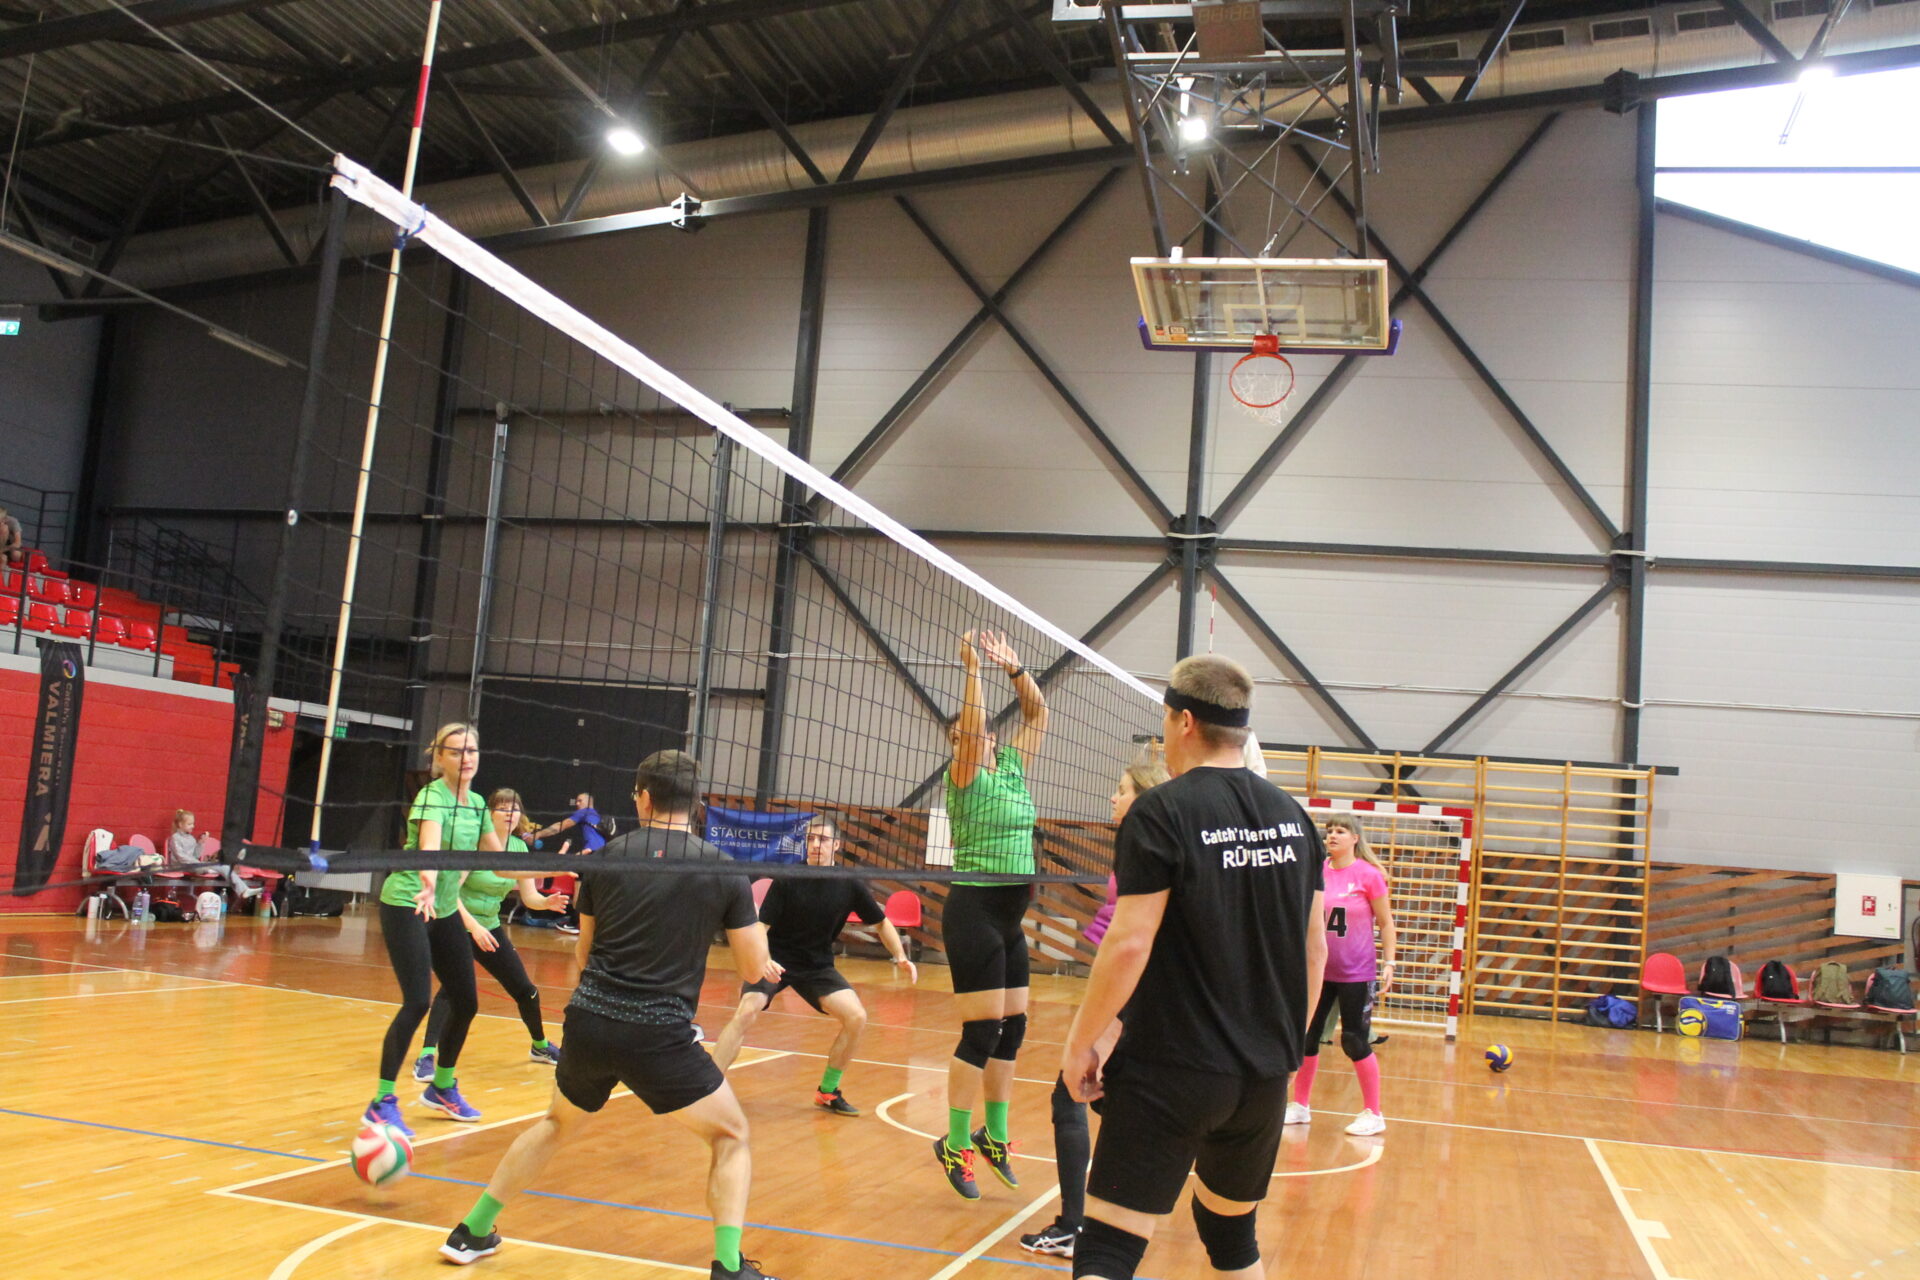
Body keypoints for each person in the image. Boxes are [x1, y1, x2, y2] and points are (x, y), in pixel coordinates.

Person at [439, 750, 784, 1280]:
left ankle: (472, 1231)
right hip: (658, 1034)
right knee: (731, 1136)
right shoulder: (722, 869)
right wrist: (752, 930)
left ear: (643, 798)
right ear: (696, 804)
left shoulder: (606, 858)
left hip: (590, 1021)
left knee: (555, 1124)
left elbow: (584, 953)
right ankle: (730, 1267)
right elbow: (752, 967)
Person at [1061, 655, 1327, 1280]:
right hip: (1264, 1075)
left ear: (1183, 721)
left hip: (1173, 1067)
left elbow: (1129, 942)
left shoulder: (1162, 810)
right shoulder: (1295, 817)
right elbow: (1314, 948)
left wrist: (1081, 1042)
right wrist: (1285, 1048)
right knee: (1232, 1237)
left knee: (1108, 1248)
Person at [1020, 746, 1168, 1258]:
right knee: (1109, 1096)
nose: (1112, 797)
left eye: (1122, 790)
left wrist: (1103, 1017)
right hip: (1141, 993)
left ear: (1144, 797)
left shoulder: (1146, 852)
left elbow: (1138, 938)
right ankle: (1110, 1213)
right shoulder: (1145, 846)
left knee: (1073, 1093)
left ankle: (1074, 1225)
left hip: (1134, 993)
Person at [932, 628, 1047, 1201]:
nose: (971, 740)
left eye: (974, 734)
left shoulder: (1013, 769)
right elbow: (973, 730)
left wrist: (1014, 669)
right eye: (960, 737)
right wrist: (974, 671)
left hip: (1009, 918)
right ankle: (954, 1143)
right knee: (980, 1032)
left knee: (1013, 1028)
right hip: (974, 911)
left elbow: (1039, 712)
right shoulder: (965, 777)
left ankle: (993, 1135)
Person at [711, 813, 918, 1115]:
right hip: (776, 959)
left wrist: (900, 956)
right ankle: (709, 1088)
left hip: (817, 966)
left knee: (856, 1017)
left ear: (836, 845)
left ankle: (828, 1092)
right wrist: (763, 959)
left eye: (822, 839)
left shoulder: (849, 884)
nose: (815, 845)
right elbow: (760, 928)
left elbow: (881, 922)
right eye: (810, 839)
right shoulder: (788, 879)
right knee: (747, 1010)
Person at [364, 723, 505, 1136]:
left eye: (471, 750)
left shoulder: (477, 804)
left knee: (466, 1001)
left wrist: (564, 866)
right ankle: (381, 1102)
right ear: (439, 757)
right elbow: (429, 845)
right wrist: (427, 880)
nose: (466, 758)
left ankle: (442, 1087)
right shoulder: (432, 797)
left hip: (442, 909)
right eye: (456, 751)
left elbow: (499, 860)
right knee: (417, 1002)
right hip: (409, 901)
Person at [414, 789, 570, 1083]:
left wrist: (545, 903)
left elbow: (530, 897)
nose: (510, 814)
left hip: (489, 926)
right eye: (503, 808)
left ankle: (539, 1045)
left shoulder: (518, 848)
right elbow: (448, 894)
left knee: (526, 990)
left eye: (515, 808)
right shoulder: (475, 844)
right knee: (452, 989)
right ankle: (426, 1055)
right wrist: (473, 927)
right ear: (489, 814)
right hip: (456, 923)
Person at [1285, 811, 1396, 1135]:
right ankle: (1300, 1105)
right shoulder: (1317, 871)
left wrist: (1390, 963)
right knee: (1307, 1037)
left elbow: (1386, 923)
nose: (1332, 835)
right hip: (1320, 970)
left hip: (1356, 973)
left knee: (1353, 1040)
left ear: (1355, 839)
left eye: (1341, 831)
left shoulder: (1368, 875)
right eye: (1329, 830)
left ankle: (1374, 1113)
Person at [532, 792, 603, 934]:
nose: (577, 803)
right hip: (603, 856)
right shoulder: (597, 817)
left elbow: (561, 826)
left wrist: (537, 835)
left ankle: (575, 923)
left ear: (589, 802)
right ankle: (590, 926)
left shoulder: (584, 812)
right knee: (593, 892)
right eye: (576, 801)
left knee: (580, 889)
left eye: (580, 800)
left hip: (590, 854)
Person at [163, 808, 261, 902]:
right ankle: (209, 869)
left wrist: (200, 843)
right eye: (189, 824)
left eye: (193, 823)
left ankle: (243, 890)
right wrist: (197, 863)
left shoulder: (191, 838)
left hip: (195, 865)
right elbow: (180, 856)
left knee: (224, 867)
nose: (192, 826)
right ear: (180, 824)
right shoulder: (175, 838)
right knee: (203, 866)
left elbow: (196, 855)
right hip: (180, 866)